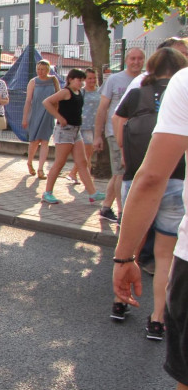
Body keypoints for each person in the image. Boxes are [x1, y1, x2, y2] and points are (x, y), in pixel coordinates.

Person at [112, 66, 188, 390]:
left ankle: (156, 316)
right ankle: (157, 317)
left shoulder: (184, 83)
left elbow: (151, 177)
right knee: (164, 252)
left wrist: (124, 257)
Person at [39, 69, 106, 204]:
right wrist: (59, 117)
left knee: (82, 162)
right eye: (78, 80)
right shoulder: (66, 92)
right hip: (65, 131)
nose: (81, 83)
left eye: (82, 80)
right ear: (70, 79)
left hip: (76, 131)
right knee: (60, 163)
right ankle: (47, 192)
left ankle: (92, 193)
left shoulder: (79, 92)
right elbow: (47, 102)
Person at [94, 48, 146, 223]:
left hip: (138, 134)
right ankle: (122, 212)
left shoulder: (146, 81)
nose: (136, 62)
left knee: (118, 174)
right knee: (122, 173)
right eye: (132, 58)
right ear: (126, 60)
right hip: (116, 132)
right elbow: (102, 109)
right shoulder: (115, 80)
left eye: (140, 58)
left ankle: (106, 207)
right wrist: (97, 135)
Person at [21, 60, 60, 179]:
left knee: (45, 141)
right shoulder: (33, 82)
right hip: (35, 113)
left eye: (43, 69)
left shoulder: (53, 80)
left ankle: (40, 169)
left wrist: (57, 114)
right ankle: (30, 162)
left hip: (48, 114)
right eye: (38, 69)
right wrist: (25, 118)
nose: (40, 71)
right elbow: (28, 100)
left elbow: (58, 97)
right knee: (34, 141)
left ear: (47, 69)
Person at [66, 68, 100, 184]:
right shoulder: (82, 92)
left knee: (89, 152)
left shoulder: (100, 91)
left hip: (96, 125)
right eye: (89, 78)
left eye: (94, 78)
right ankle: (82, 175)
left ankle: (77, 173)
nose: (92, 80)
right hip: (85, 125)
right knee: (88, 151)